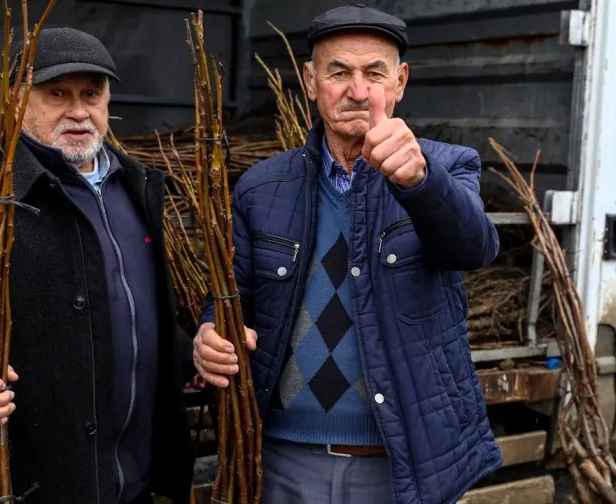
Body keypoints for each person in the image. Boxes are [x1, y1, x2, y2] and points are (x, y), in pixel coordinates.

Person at [192, 4, 503, 504]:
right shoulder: (262, 186)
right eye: (339, 72)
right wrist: (209, 333)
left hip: (402, 464)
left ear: (400, 82)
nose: (358, 91)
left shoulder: (446, 166)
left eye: (374, 73)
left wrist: (421, 182)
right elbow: (234, 294)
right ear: (311, 81)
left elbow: (475, 247)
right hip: (284, 459)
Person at [0, 27, 195, 504]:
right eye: (56, 94)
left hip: (136, 482)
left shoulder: (137, 188)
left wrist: (191, 353)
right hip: (27, 485)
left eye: (92, 93)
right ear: (15, 101)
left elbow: (133, 313)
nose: (78, 111)